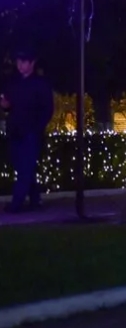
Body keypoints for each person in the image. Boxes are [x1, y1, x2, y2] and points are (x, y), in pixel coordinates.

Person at [2, 46, 55, 214]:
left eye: (24, 62)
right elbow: (10, 106)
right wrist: (6, 106)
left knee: (25, 168)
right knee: (23, 167)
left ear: (32, 63)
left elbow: (47, 109)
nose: (20, 65)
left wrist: (37, 128)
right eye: (19, 62)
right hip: (16, 130)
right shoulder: (14, 83)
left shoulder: (40, 84)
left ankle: (16, 204)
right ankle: (35, 199)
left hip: (31, 132)